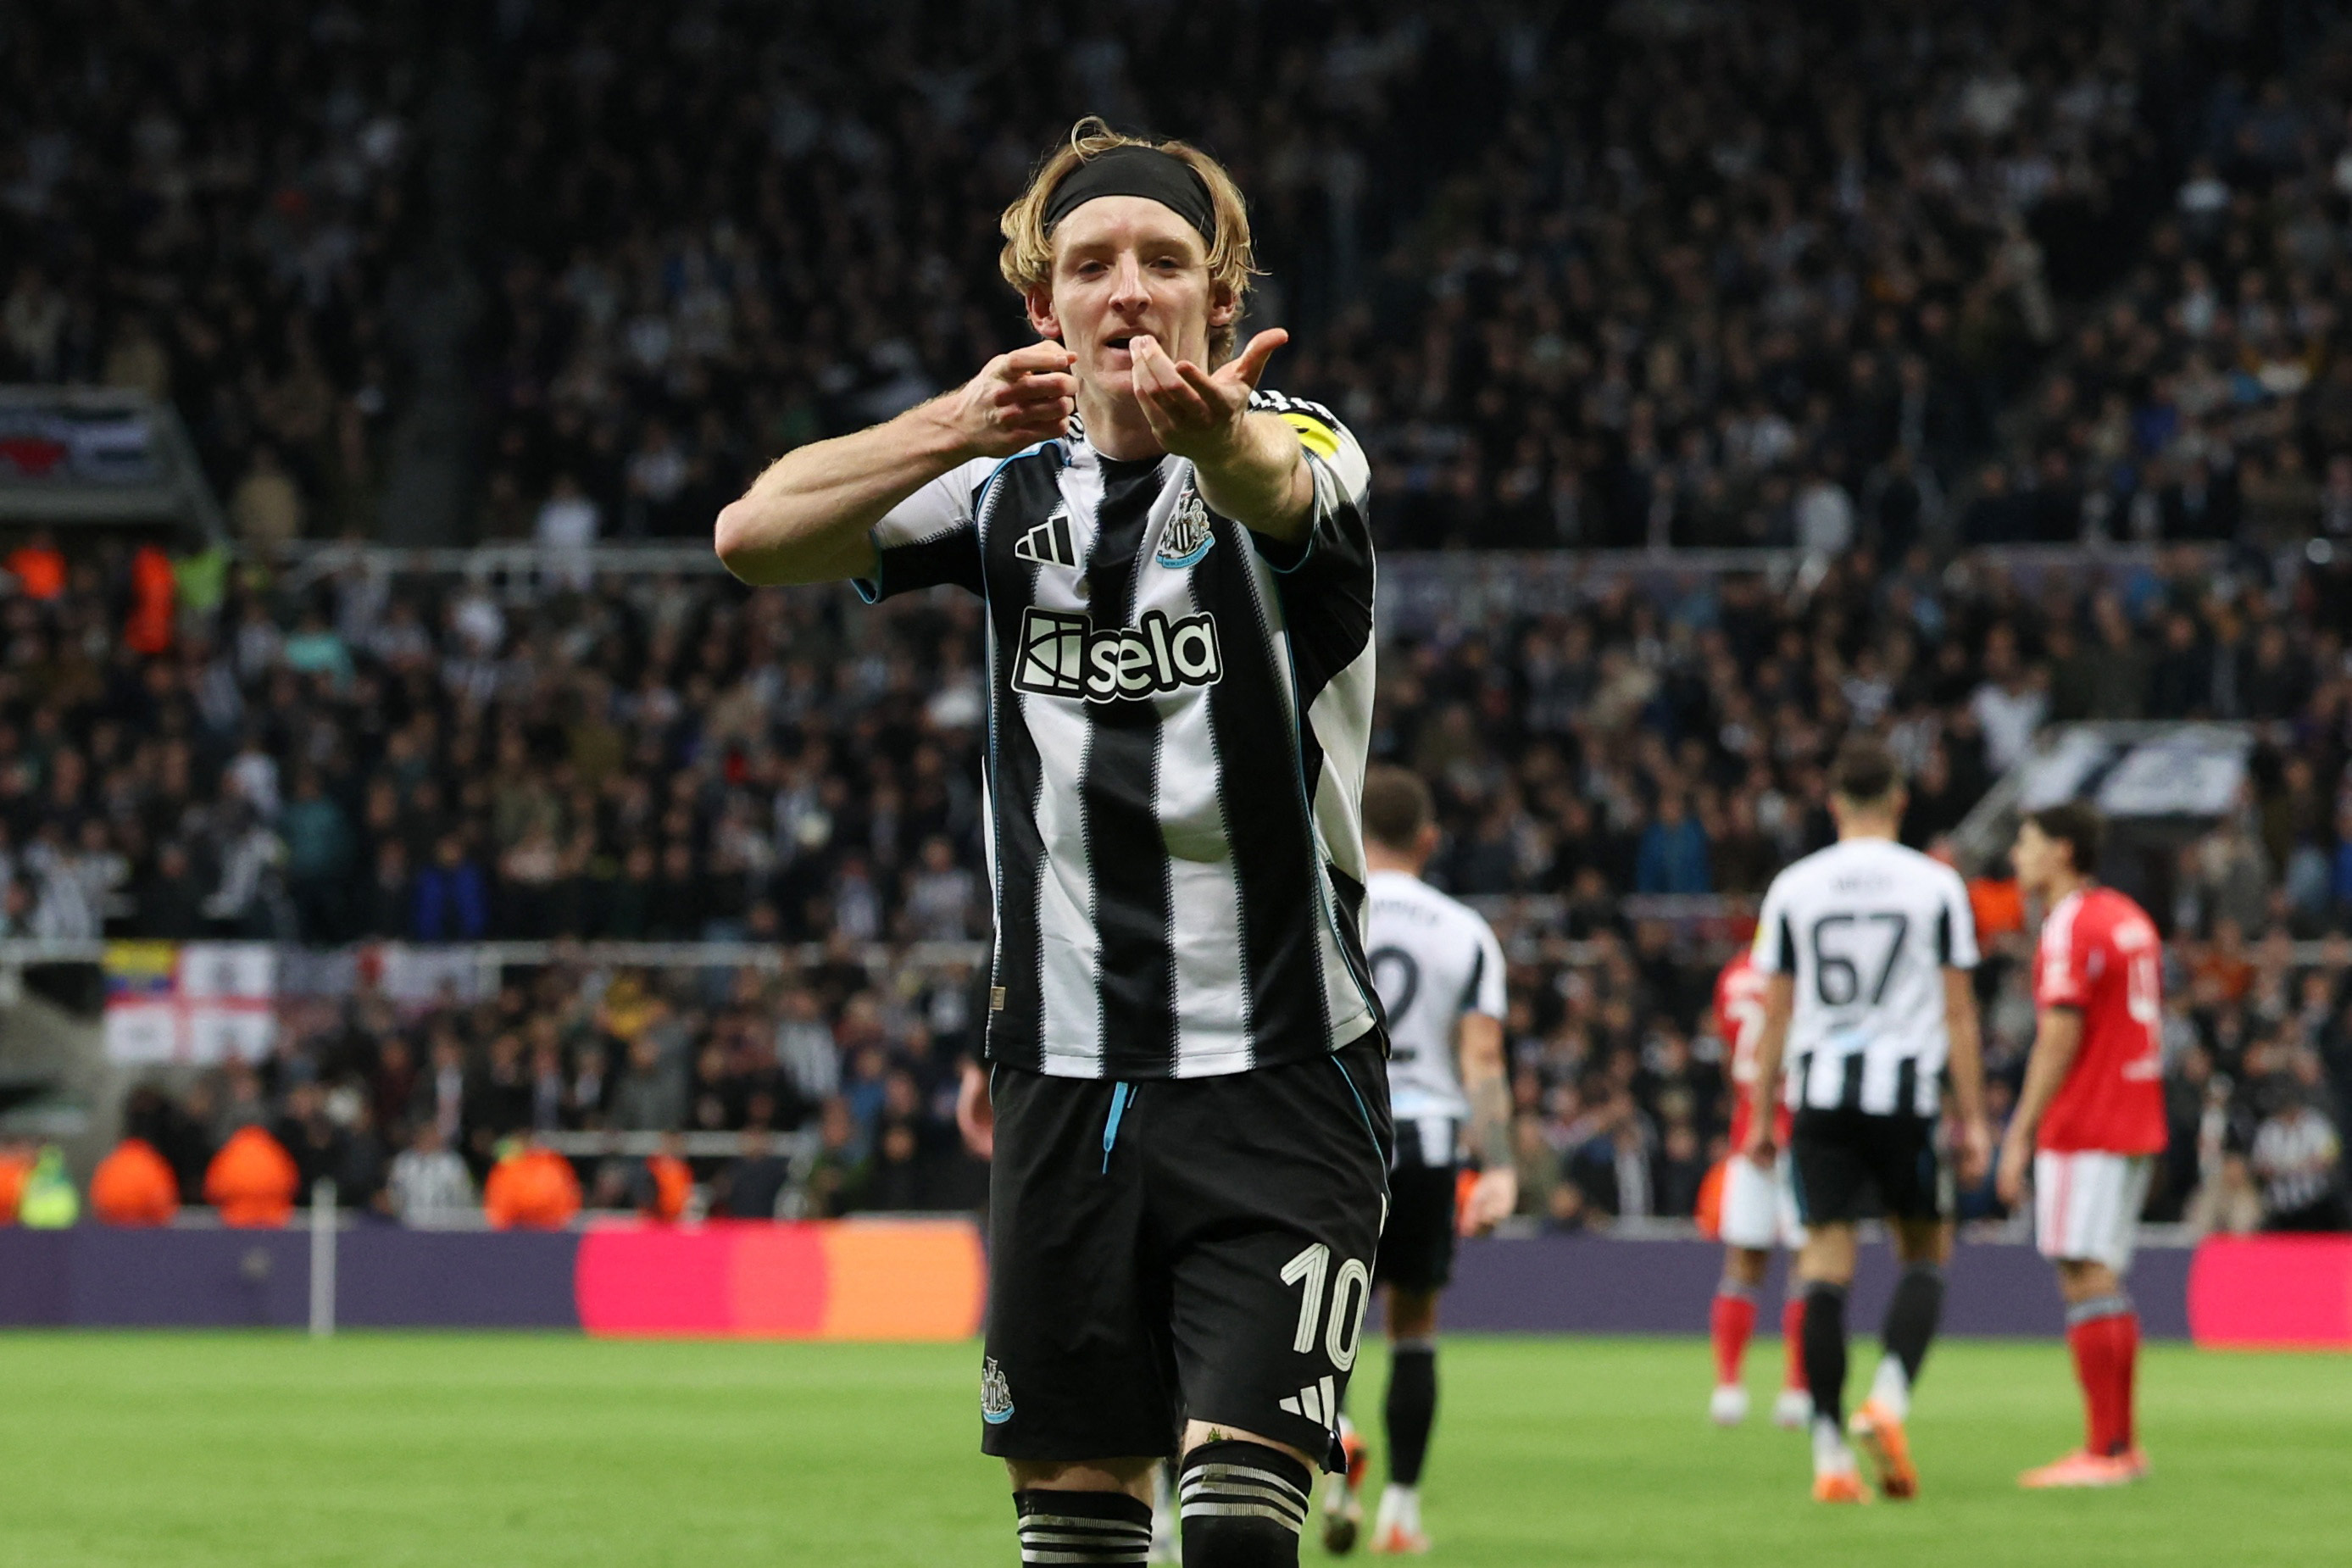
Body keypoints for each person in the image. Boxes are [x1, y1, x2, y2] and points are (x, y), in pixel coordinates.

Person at [717, 119, 1388, 1568]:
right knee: (1076, 1536)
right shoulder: (1000, 489)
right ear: (1046, 310)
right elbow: (752, 535)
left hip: (1283, 1075)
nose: (1129, 288)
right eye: (1093, 265)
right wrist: (951, 424)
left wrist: (1228, 441)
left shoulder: (1307, 449)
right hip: (1064, 1085)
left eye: (1166, 260)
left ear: (1224, 296)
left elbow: (1283, 487)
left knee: (1236, 1531)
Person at [1743, 737, 1990, 1504]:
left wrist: (1758, 1113)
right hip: (1904, 1095)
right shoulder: (1935, 885)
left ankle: (1827, 1457)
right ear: (1899, 801)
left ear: (1831, 802)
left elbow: (1774, 1011)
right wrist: (1973, 1117)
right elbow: (1957, 1010)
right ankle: (1885, 1398)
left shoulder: (1794, 886)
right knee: (1924, 1250)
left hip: (1817, 1093)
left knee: (1822, 1263)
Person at [1318, 766, 1513, 1556]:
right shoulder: (1462, 931)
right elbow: (1483, 1058)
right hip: (1427, 1145)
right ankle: (1400, 1510)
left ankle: (1337, 1430)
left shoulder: (1326, 905)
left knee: (1316, 1317)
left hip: (1335, 1136)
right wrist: (1496, 1164)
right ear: (1428, 841)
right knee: (1414, 1326)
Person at [1999, 802, 2165, 1487]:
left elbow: (2059, 1035)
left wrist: (2019, 1134)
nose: (2016, 854)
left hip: (2087, 1119)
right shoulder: (2125, 915)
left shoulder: (2069, 925)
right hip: (2135, 1113)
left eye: (2027, 842)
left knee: (2082, 1273)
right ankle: (2121, 1444)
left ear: (2062, 851)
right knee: (2104, 1278)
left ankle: (2102, 1451)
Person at [1704, 947, 1813, 1432]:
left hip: (1748, 1131)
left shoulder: (1733, 974)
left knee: (1743, 1261)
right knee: (1810, 1263)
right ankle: (1796, 1390)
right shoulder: (1806, 969)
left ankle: (1728, 1389)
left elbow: (1732, 1057)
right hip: (1804, 1129)